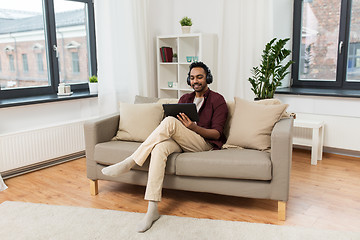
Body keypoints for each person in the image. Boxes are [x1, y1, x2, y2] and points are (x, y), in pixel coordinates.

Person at [102, 61, 228, 232]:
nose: (195, 81)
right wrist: (172, 126)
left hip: (203, 143)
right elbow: (170, 125)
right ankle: (152, 209)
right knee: (159, 148)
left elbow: (217, 134)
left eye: (199, 77)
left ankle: (131, 161)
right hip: (182, 140)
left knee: (170, 122)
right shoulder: (185, 99)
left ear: (208, 78)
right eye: (192, 78)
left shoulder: (218, 100)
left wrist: (194, 128)